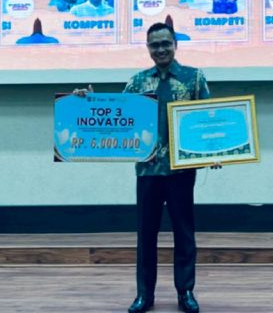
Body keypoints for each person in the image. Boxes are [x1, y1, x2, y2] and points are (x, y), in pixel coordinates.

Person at [73, 22, 210, 313]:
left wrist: (216, 152)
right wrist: (89, 101)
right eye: (154, 45)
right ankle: (144, 295)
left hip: (182, 172)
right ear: (148, 48)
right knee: (146, 235)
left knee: (184, 233)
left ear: (175, 44)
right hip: (147, 171)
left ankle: (185, 292)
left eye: (165, 43)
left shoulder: (194, 78)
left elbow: (207, 121)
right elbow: (116, 114)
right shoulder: (137, 82)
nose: (161, 49)